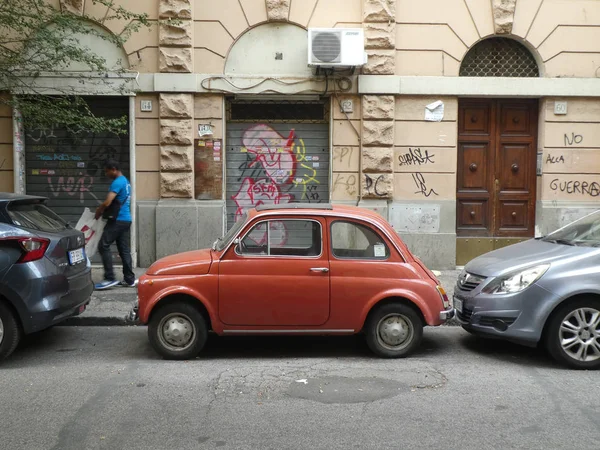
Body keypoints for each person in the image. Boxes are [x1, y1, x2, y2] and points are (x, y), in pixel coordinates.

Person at [94, 160, 136, 290]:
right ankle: (129, 279)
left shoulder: (117, 182)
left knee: (103, 245)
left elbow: (108, 202)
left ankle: (109, 278)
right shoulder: (126, 182)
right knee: (124, 250)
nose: (106, 174)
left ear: (113, 169)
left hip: (117, 220)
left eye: (107, 171)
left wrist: (98, 211)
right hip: (126, 219)